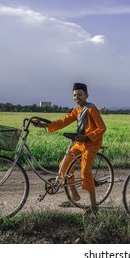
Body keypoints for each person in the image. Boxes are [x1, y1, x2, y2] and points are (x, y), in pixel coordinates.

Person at [35, 82, 106, 214]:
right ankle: (74, 195)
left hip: (91, 144)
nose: (76, 97)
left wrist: (87, 137)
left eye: (79, 94)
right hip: (79, 143)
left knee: (85, 171)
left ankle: (94, 206)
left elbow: (102, 128)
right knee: (64, 164)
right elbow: (63, 121)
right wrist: (45, 125)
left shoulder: (91, 109)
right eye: (74, 95)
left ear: (86, 96)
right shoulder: (77, 111)